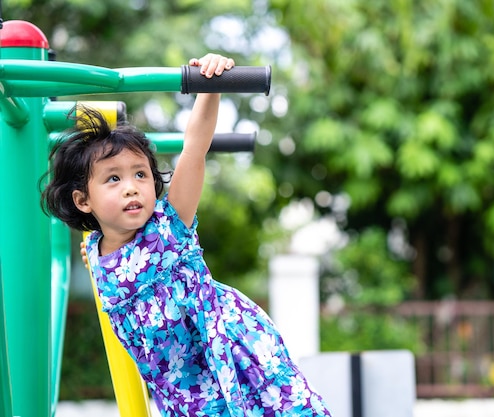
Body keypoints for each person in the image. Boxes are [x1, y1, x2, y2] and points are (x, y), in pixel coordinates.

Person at [41, 53, 333, 417]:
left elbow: (194, 149)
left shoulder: (168, 225)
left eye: (141, 174)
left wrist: (209, 89)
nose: (132, 188)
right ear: (83, 200)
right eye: (113, 178)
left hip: (230, 357)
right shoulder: (95, 253)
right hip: (183, 392)